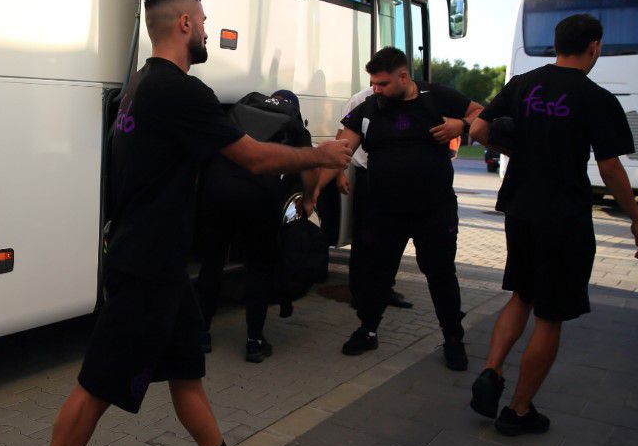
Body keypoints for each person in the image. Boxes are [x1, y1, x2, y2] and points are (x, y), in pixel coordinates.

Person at [13, 0, 352, 446]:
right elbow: (254, 159)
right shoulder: (178, 91)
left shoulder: (140, 86)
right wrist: (320, 154)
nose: (207, 28)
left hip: (157, 265)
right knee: (98, 384)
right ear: (185, 25)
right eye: (203, 18)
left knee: (186, 374)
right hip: (147, 266)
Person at [469, 13, 638, 435]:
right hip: (563, 215)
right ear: (594, 47)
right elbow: (610, 170)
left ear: (557, 44)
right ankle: (517, 411)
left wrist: (520, 149)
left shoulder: (522, 84)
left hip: (519, 207)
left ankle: (492, 371)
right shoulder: (596, 97)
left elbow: (478, 128)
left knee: (521, 295)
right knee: (550, 316)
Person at [318, 47, 482, 370]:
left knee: (441, 274)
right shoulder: (369, 108)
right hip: (385, 211)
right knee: (377, 275)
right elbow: (340, 148)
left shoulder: (436, 97)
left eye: (382, 84)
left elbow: (480, 113)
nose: (376, 89)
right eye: (373, 83)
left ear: (403, 77)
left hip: (433, 211)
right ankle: (368, 330)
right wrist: (316, 187)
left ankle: (453, 338)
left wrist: (460, 126)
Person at [195, 90, 312, 362]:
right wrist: (308, 198)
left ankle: (200, 334)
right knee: (258, 267)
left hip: (218, 190)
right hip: (259, 196)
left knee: (212, 262)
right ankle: (254, 341)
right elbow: (308, 165)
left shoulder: (241, 110)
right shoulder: (293, 121)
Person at [334, 86, 413, 312]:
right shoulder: (360, 100)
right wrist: (339, 173)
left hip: (395, 177)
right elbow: (342, 139)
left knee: (391, 237)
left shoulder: (404, 97)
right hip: (368, 175)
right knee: (363, 237)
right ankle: (359, 293)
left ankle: (385, 289)